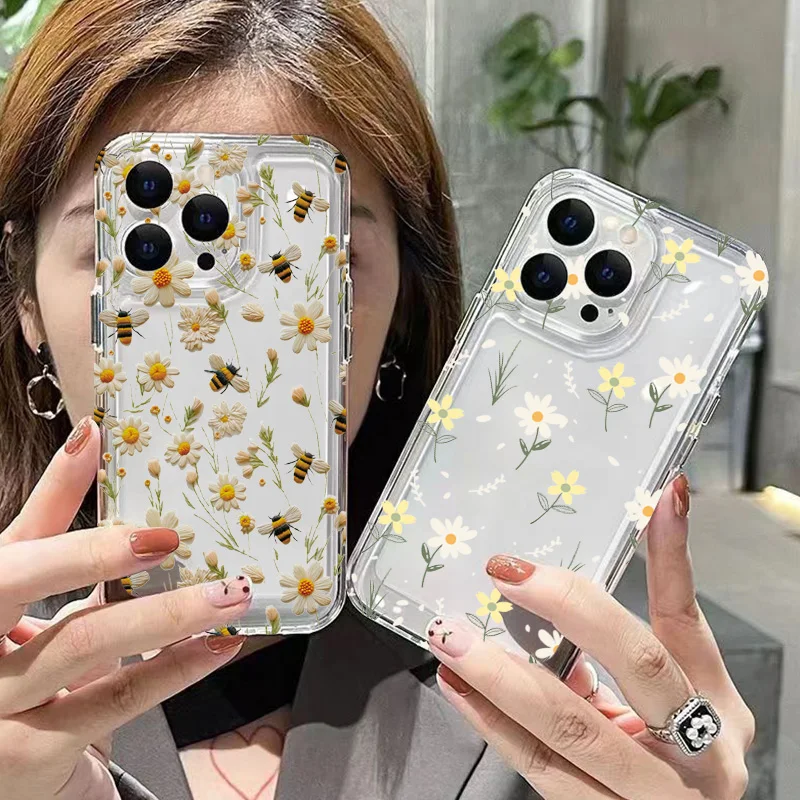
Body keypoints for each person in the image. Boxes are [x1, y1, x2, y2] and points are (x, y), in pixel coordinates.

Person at [0, 1, 755, 798]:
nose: (239, 329)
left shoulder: (542, 662)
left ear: (401, 305)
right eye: (140, 250)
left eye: (314, 252)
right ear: (25, 300)